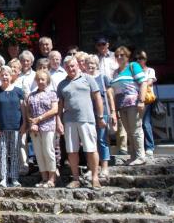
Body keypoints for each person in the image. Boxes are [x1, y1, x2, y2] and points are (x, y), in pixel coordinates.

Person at [56, 55, 106, 189]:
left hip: (87, 119)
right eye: (67, 67)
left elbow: (98, 98)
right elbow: (60, 105)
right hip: (69, 121)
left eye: (72, 66)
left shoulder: (88, 78)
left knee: (91, 148)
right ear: (64, 68)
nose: (70, 68)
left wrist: (100, 116)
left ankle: (95, 178)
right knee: (72, 151)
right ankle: (76, 179)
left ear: (77, 65)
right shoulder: (62, 84)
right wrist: (58, 121)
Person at [108, 46, 149, 165]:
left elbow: (143, 83)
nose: (119, 57)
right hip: (121, 105)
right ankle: (133, 156)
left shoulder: (133, 66)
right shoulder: (115, 72)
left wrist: (141, 101)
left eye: (122, 55)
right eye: (117, 55)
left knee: (136, 129)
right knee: (128, 131)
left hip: (133, 103)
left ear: (127, 56)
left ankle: (141, 156)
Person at [0, 65, 25, 187]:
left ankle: (14, 178)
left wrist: (24, 123)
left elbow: (23, 109)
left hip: (16, 126)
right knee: (3, 153)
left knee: (15, 153)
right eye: (2, 75)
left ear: (11, 76)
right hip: (1, 128)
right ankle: (3, 178)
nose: (5, 77)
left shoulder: (18, 91)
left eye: (7, 74)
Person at [26, 70, 59, 188]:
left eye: (43, 79)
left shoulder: (52, 94)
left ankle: (52, 178)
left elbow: (55, 110)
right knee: (39, 153)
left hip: (48, 126)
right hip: (35, 128)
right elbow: (28, 110)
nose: (40, 81)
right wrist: (32, 123)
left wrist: (39, 119)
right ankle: (44, 178)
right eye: (38, 79)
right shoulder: (31, 95)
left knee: (48, 151)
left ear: (47, 81)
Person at [86, 54, 116, 179]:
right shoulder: (84, 78)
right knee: (89, 143)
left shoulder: (103, 78)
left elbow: (110, 96)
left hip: (102, 113)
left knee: (102, 140)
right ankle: (92, 168)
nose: (90, 66)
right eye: (88, 64)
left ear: (97, 64)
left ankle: (104, 167)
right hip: (87, 114)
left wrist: (113, 112)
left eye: (92, 63)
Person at [136, 50, 157, 158]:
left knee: (145, 123)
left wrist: (141, 82)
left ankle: (149, 147)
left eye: (142, 58)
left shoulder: (150, 70)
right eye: (138, 59)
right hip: (136, 99)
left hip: (147, 100)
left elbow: (149, 82)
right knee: (138, 124)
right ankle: (140, 147)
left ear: (145, 59)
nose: (140, 61)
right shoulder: (134, 70)